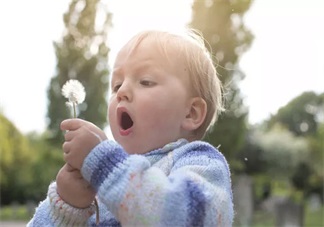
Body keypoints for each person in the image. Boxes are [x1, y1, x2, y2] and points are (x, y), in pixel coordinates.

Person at [28, 28, 234, 226]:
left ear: (191, 113)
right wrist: (66, 207)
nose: (122, 91)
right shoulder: (98, 182)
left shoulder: (200, 162)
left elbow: (185, 219)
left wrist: (104, 162)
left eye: (145, 81)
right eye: (116, 85)